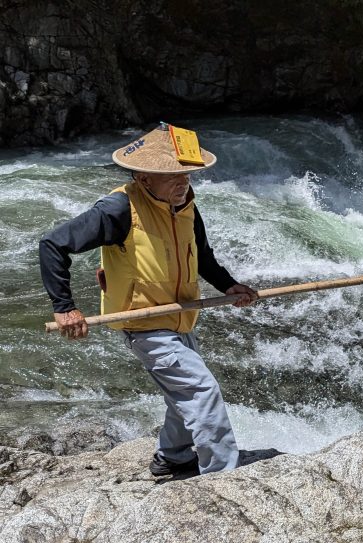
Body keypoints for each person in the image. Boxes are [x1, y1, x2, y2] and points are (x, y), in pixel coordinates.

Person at [39, 123, 258, 476]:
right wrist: (65, 307)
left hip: (181, 315)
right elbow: (52, 244)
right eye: (172, 176)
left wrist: (228, 285)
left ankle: (172, 455)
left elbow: (200, 254)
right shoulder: (118, 209)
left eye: (186, 174)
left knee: (184, 391)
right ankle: (223, 475)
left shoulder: (184, 204)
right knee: (201, 389)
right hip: (143, 323)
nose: (183, 182)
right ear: (143, 178)